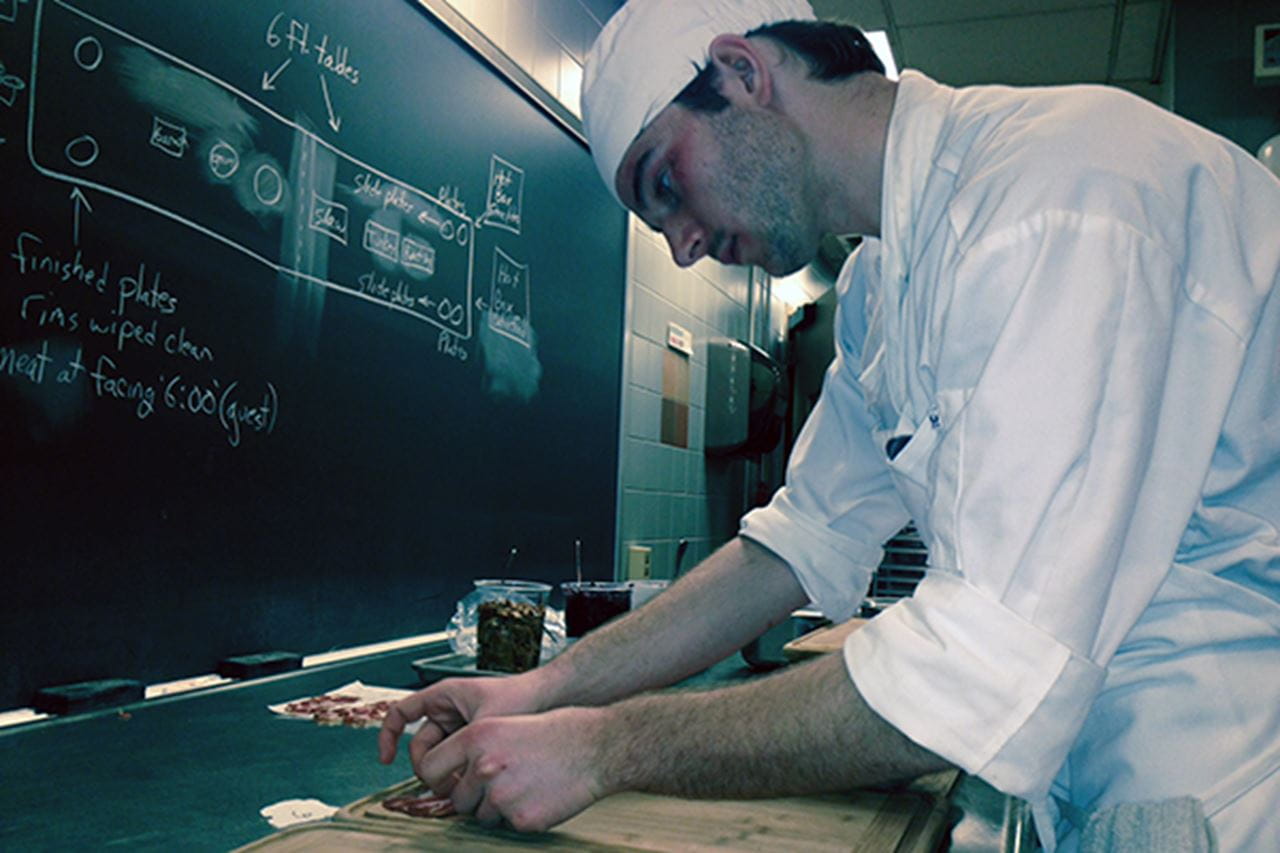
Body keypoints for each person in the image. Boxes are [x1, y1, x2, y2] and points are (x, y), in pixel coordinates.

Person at [380, 1, 1280, 848]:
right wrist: (537, 693)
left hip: (1235, 778)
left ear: (740, 73)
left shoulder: (1057, 198)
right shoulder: (884, 285)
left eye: (666, 184)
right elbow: (798, 544)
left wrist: (604, 747)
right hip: (1111, 781)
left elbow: (983, 674)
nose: (681, 245)